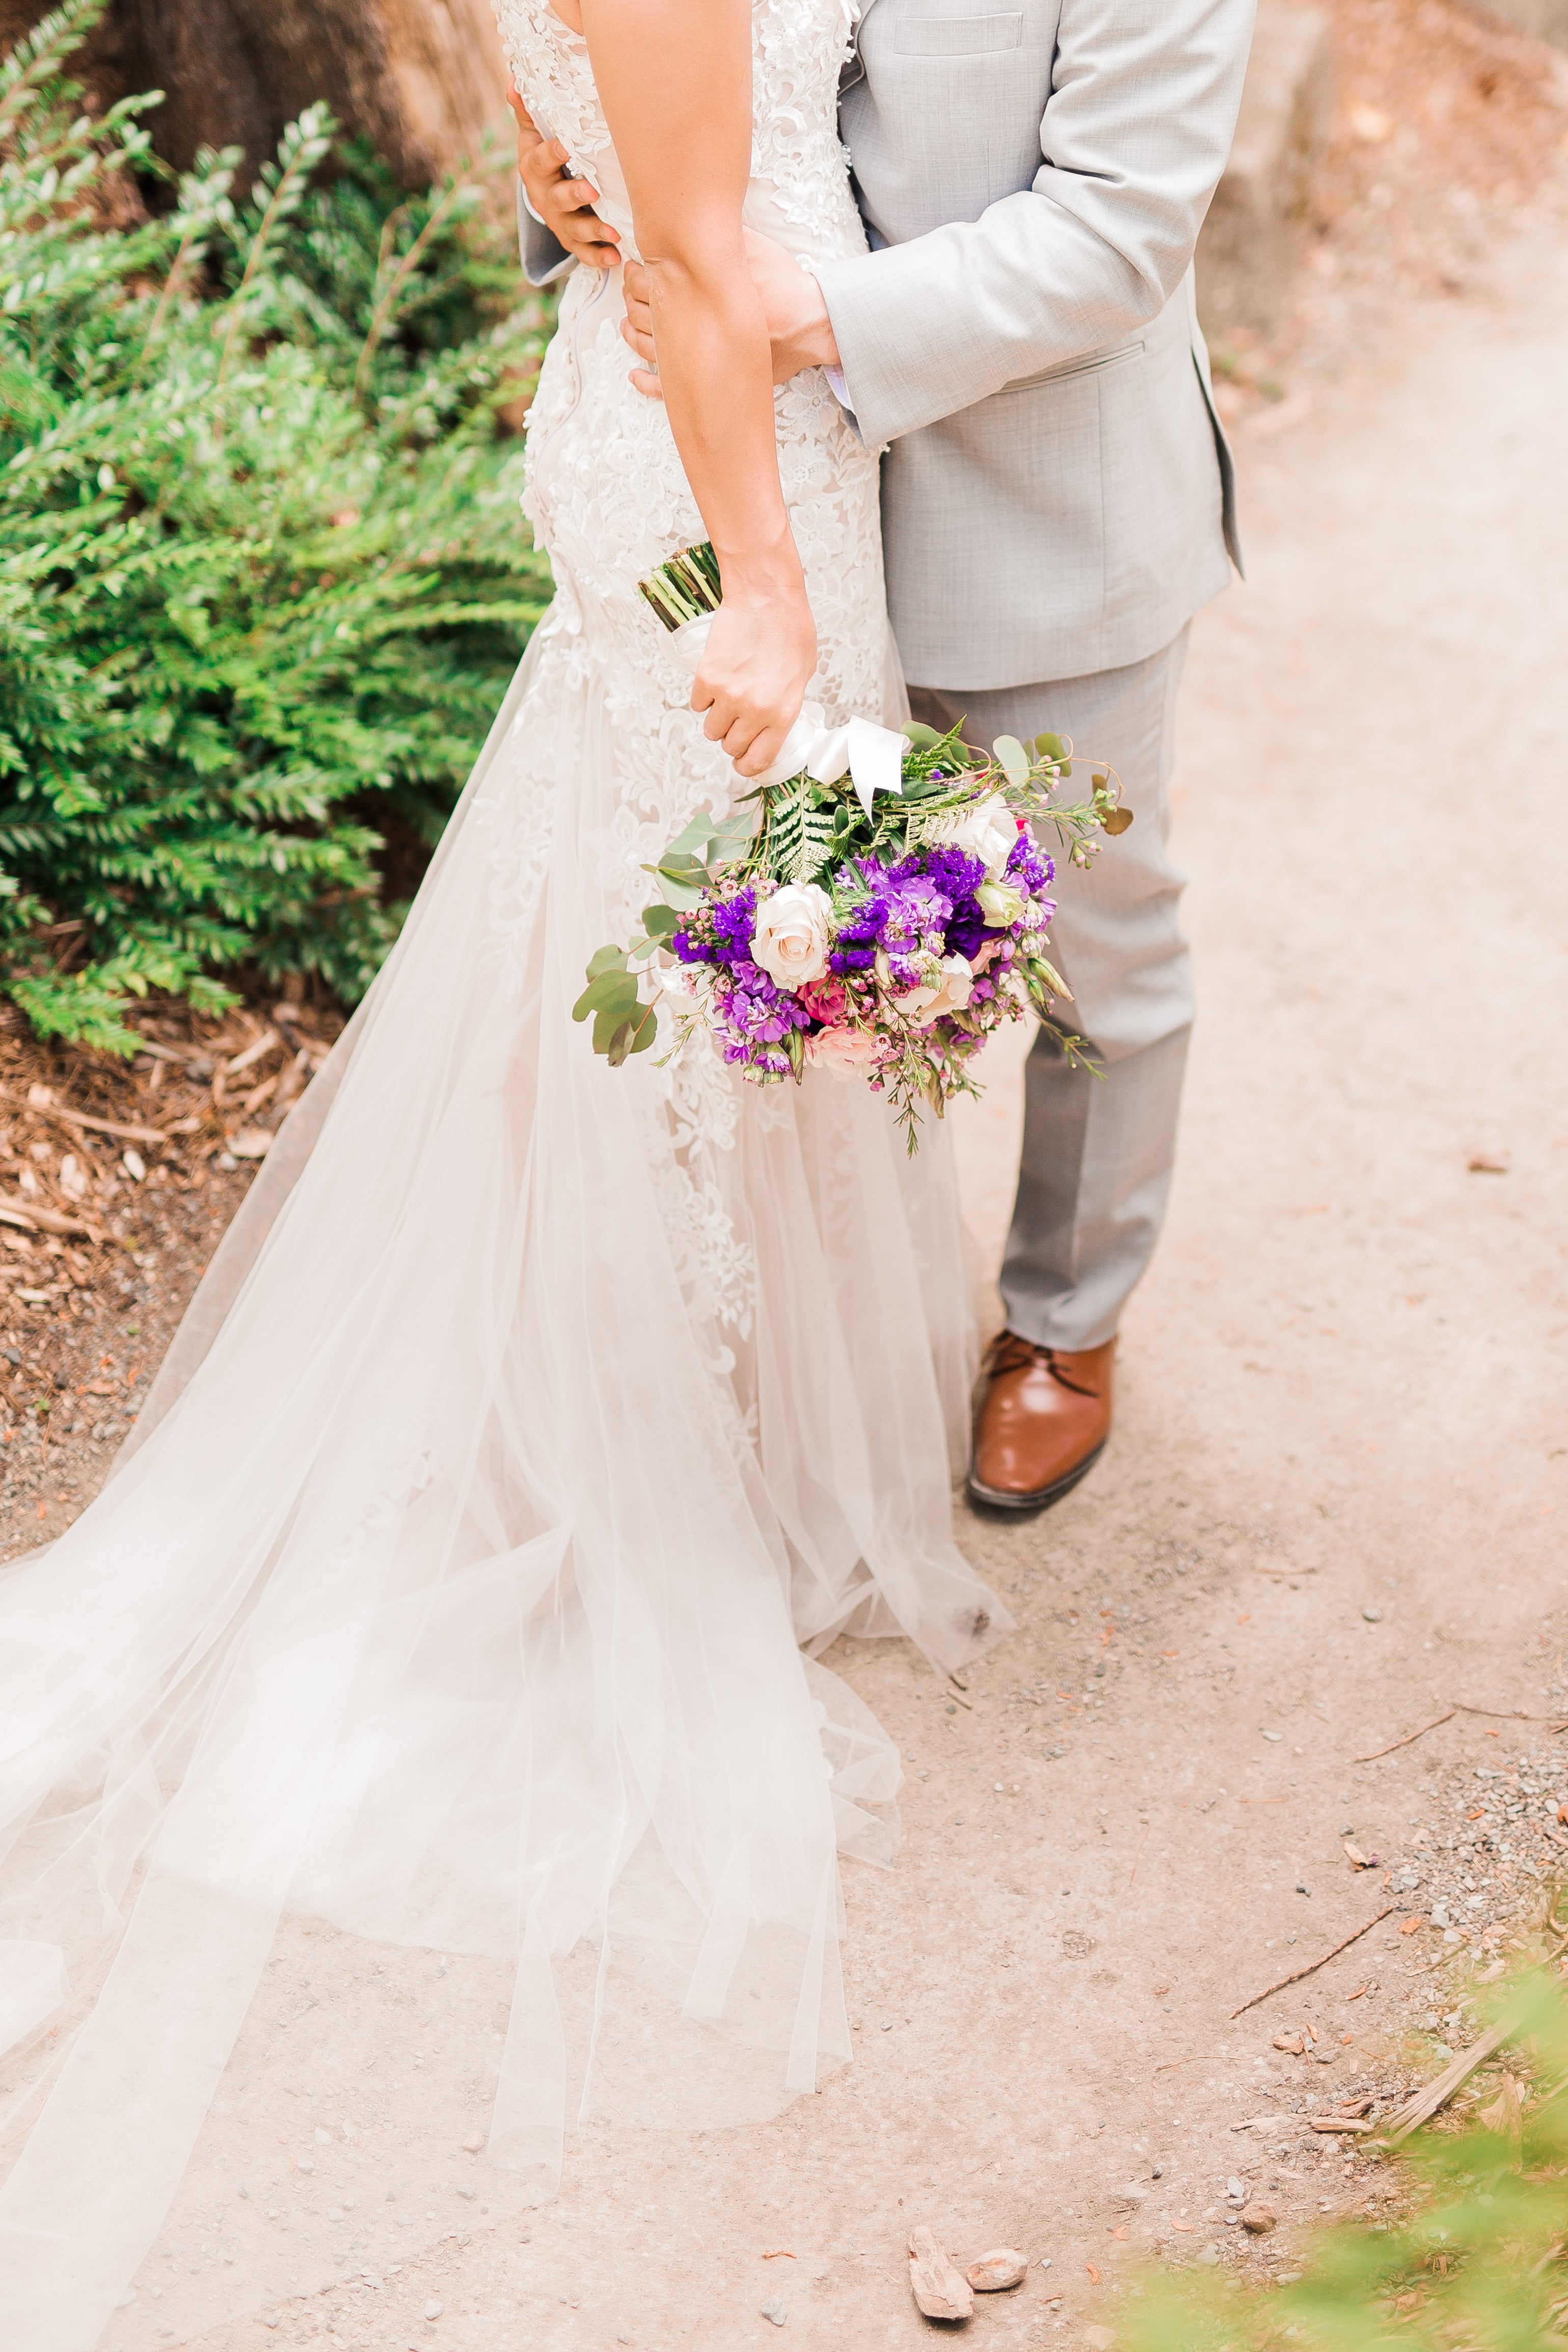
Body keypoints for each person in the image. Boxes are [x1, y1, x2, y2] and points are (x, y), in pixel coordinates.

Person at [0, 3, 1009, 2341]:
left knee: (669, 962)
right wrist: (762, 593)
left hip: (689, 407)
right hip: (713, 459)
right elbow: (670, 236)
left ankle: (698, 1441)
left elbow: (595, 171)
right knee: (678, 966)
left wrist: (586, 204)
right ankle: (619, 1466)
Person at [516, 0, 1255, 1516]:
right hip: (765, 494)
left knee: (1093, 950)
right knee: (761, 943)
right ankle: (791, 1345)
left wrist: (813, 323)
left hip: (1039, 511)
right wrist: (565, 186)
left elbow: (1120, 228)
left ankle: (1066, 1321)